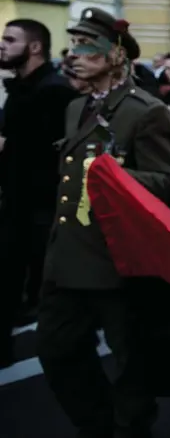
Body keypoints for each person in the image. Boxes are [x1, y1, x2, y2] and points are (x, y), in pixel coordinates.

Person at [36, 7, 170, 438]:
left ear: (116, 54)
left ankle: (131, 429)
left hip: (114, 258)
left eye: (86, 46)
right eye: (74, 44)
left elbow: (169, 181)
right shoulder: (76, 106)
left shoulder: (146, 111)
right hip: (67, 255)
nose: (74, 54)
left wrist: (115, 174)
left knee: (128, 364)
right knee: (56, 349)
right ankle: (97, 423)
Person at [0, 19, 77, 367]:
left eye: (9, 39)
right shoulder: (21, 89)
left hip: (44, 209)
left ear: (34, 47)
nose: (2, 44)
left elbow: (48, 154)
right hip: (16, 205)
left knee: (53, 294)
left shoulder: (54, 91)